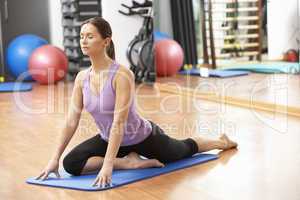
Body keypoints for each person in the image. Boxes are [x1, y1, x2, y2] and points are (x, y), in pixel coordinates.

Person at [36, 17, 237, 188]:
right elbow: (71, 120)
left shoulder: (122, 75)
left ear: (106, 42)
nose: (83, 41)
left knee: (183, 150)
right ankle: (128, 162)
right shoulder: (81, 78)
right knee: (71, 163)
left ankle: (221, 141)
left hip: (142, 136)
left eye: (90, 36)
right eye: (81, 36)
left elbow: (119, 122)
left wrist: (107, 165)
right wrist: (54, 159)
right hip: (110, 139)